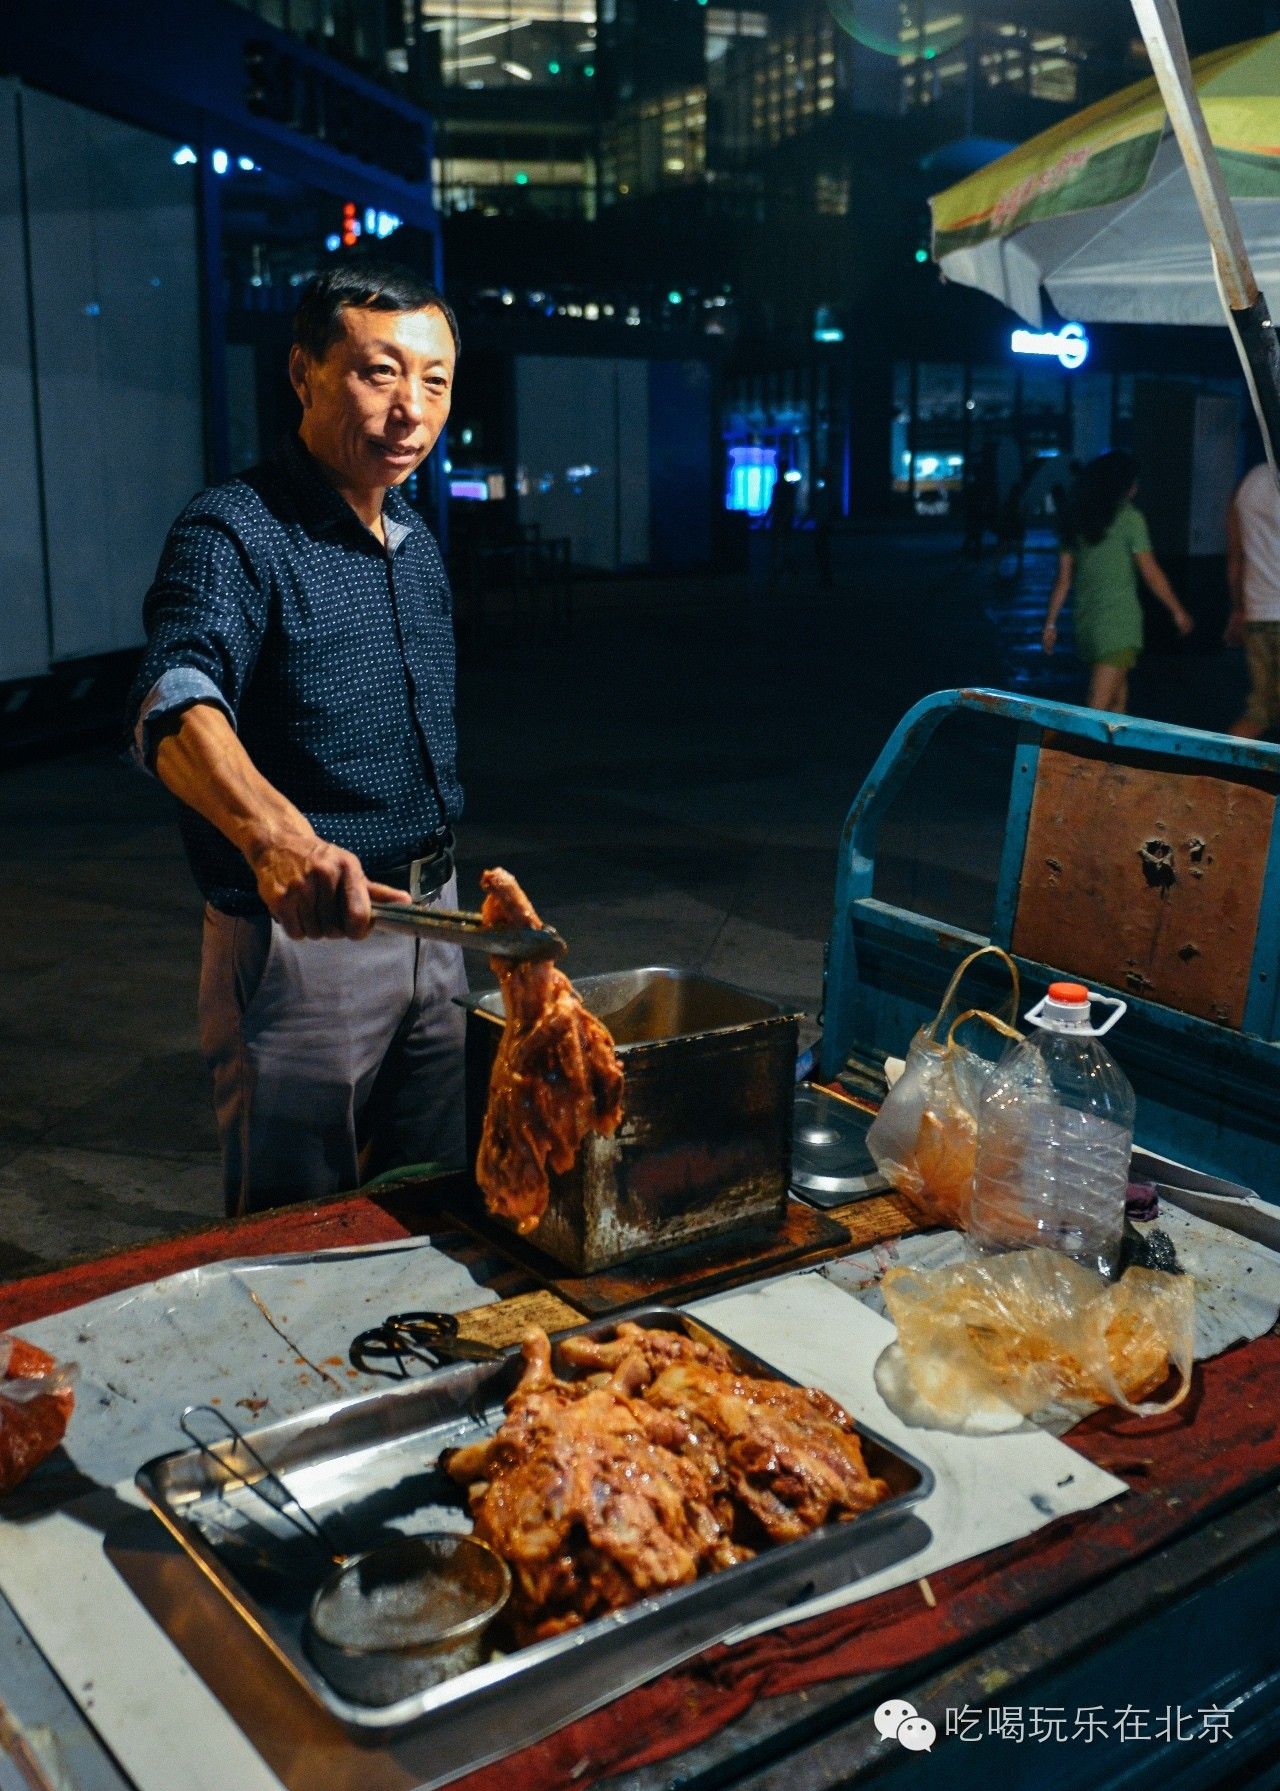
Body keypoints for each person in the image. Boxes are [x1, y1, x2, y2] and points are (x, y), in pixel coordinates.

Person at [127, 259, 468, 1215]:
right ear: (304, 373)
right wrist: (275, 834)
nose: (412, 409)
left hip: (432, 926)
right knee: (296, 1228)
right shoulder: (236, 528)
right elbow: (173, 689)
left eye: (434, 379)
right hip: (301, 940)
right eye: (379, 371)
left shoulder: (416, 535)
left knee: (436, 1204)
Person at [1041, 449, 1193, 714]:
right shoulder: (1130, 518)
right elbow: (1150, 571)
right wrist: (1177, 610)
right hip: (1118, 625)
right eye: (1133, 480)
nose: (1137, 486)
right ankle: (1081, 756)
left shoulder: (1078, 520)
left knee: (1116, 702)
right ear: (1122, 485)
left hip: (1087, 625)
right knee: (1098, 707)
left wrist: (1051, 623)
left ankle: (1111, 756)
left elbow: (1063, 580)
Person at [1224, 458, 1280, 738]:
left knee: (1260, 710)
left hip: (1258, 613)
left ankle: (1217, 770)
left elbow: (1235, 559)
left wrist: (1239, 609)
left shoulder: (1248, 484)